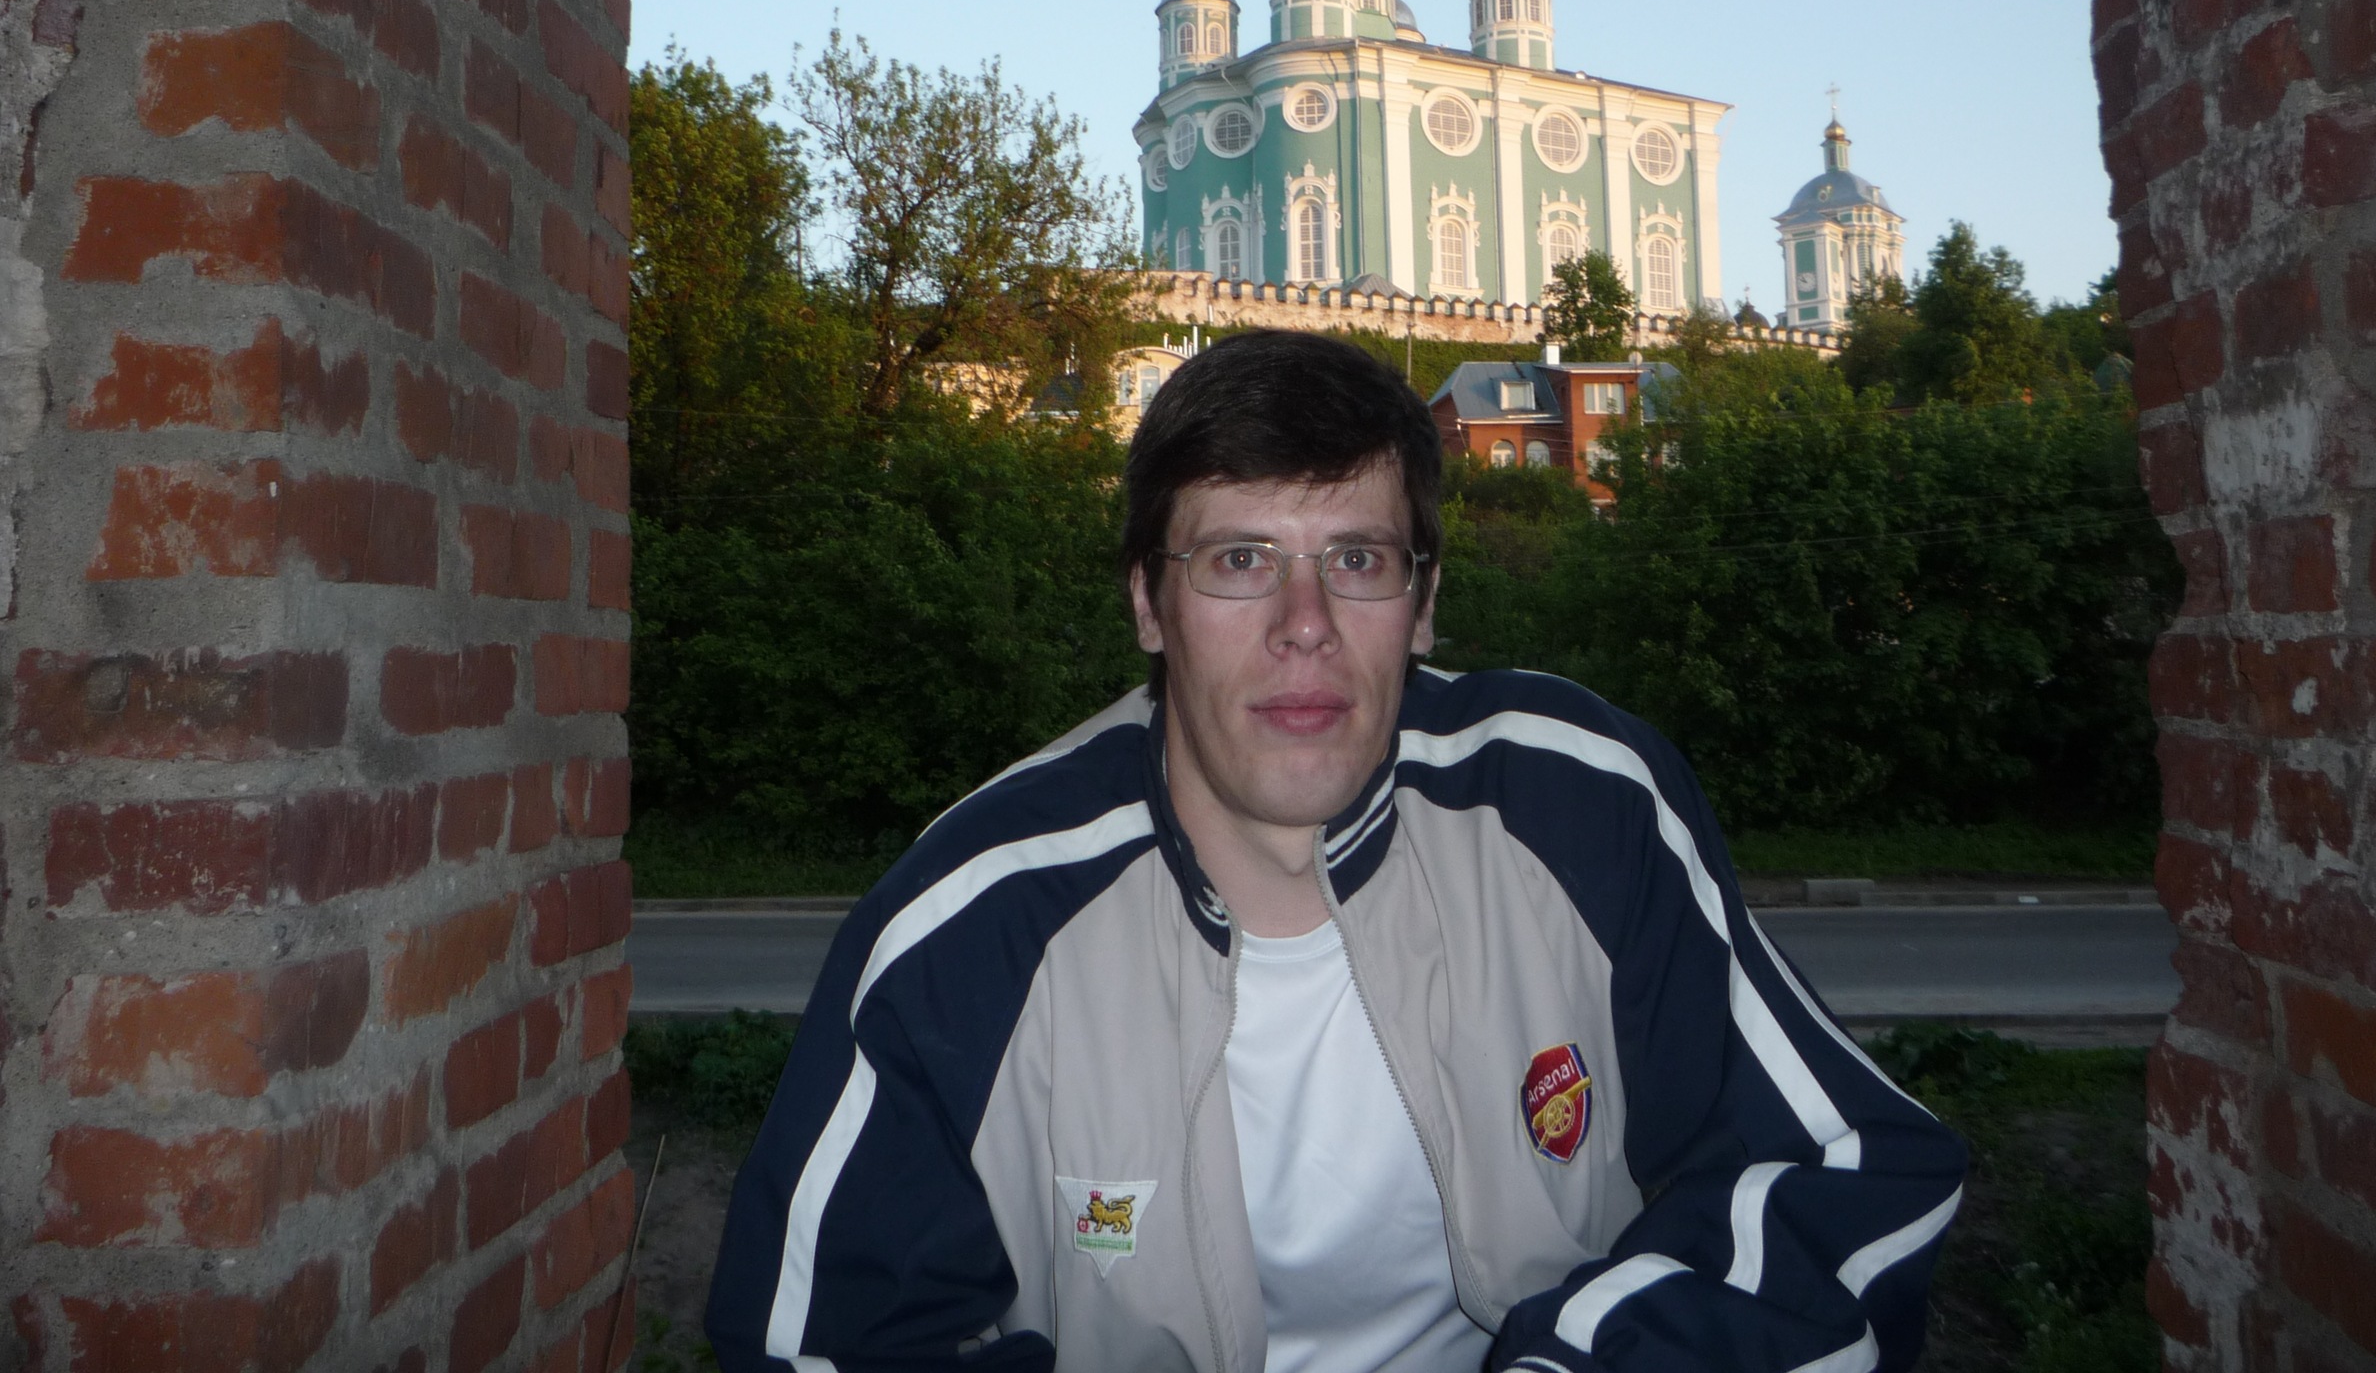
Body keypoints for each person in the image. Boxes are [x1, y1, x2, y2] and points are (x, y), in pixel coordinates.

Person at [707, 330, 1966, 1372]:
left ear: (1423, 605)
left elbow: (1848, 1176)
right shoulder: (972, 926)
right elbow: (816, 1343)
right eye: (1239, 560)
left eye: (1355, 560)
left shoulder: (1582, 808)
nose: (1302, 625)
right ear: (1148, 602)